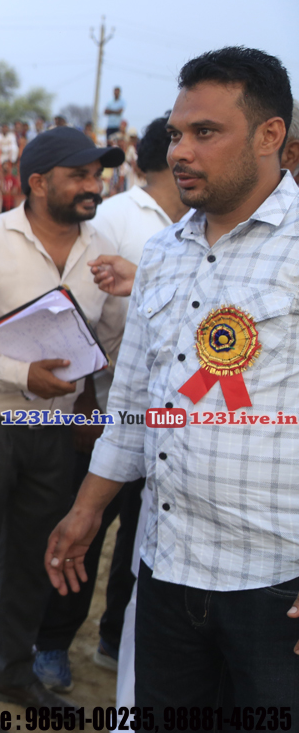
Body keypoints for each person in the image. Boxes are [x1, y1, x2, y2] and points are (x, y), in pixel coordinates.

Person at [46, 46, 299, 711]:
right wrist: (87, 508)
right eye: (178, 132)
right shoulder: (161, 253)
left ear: (270, 135)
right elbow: (133, 401)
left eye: (205, 132)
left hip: (276, 586)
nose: (180, 151)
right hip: (166, 568)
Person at [0, 125, 127, 709]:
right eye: (79, 175)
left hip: (56, 431)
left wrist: (87, 403)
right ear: (38, 183)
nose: (94, 185)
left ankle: (13, 672)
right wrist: (22, 375)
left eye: (97, 175)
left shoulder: (102, 248)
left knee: (36, 558)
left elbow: (109, 339)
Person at [31, 115, 188, 694]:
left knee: (141, 537)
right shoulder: (118, 218)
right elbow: (80, 315)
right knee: (86, 526)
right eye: (185, 138)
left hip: (172, 414)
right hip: (105, 408)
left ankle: (115, 636)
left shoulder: (205, 223)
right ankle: (51, 642)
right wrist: (88, 402)